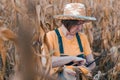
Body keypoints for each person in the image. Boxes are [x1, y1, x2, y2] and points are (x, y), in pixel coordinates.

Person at [46, 3, 96, 80]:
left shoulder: (82, 37)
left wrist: (84, 70)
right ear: (67, 22)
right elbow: (46, 61)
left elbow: (92, 63)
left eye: (82, 24)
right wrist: (72, 59)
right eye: (77, 24)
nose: (80, 28)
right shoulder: (51, 36)